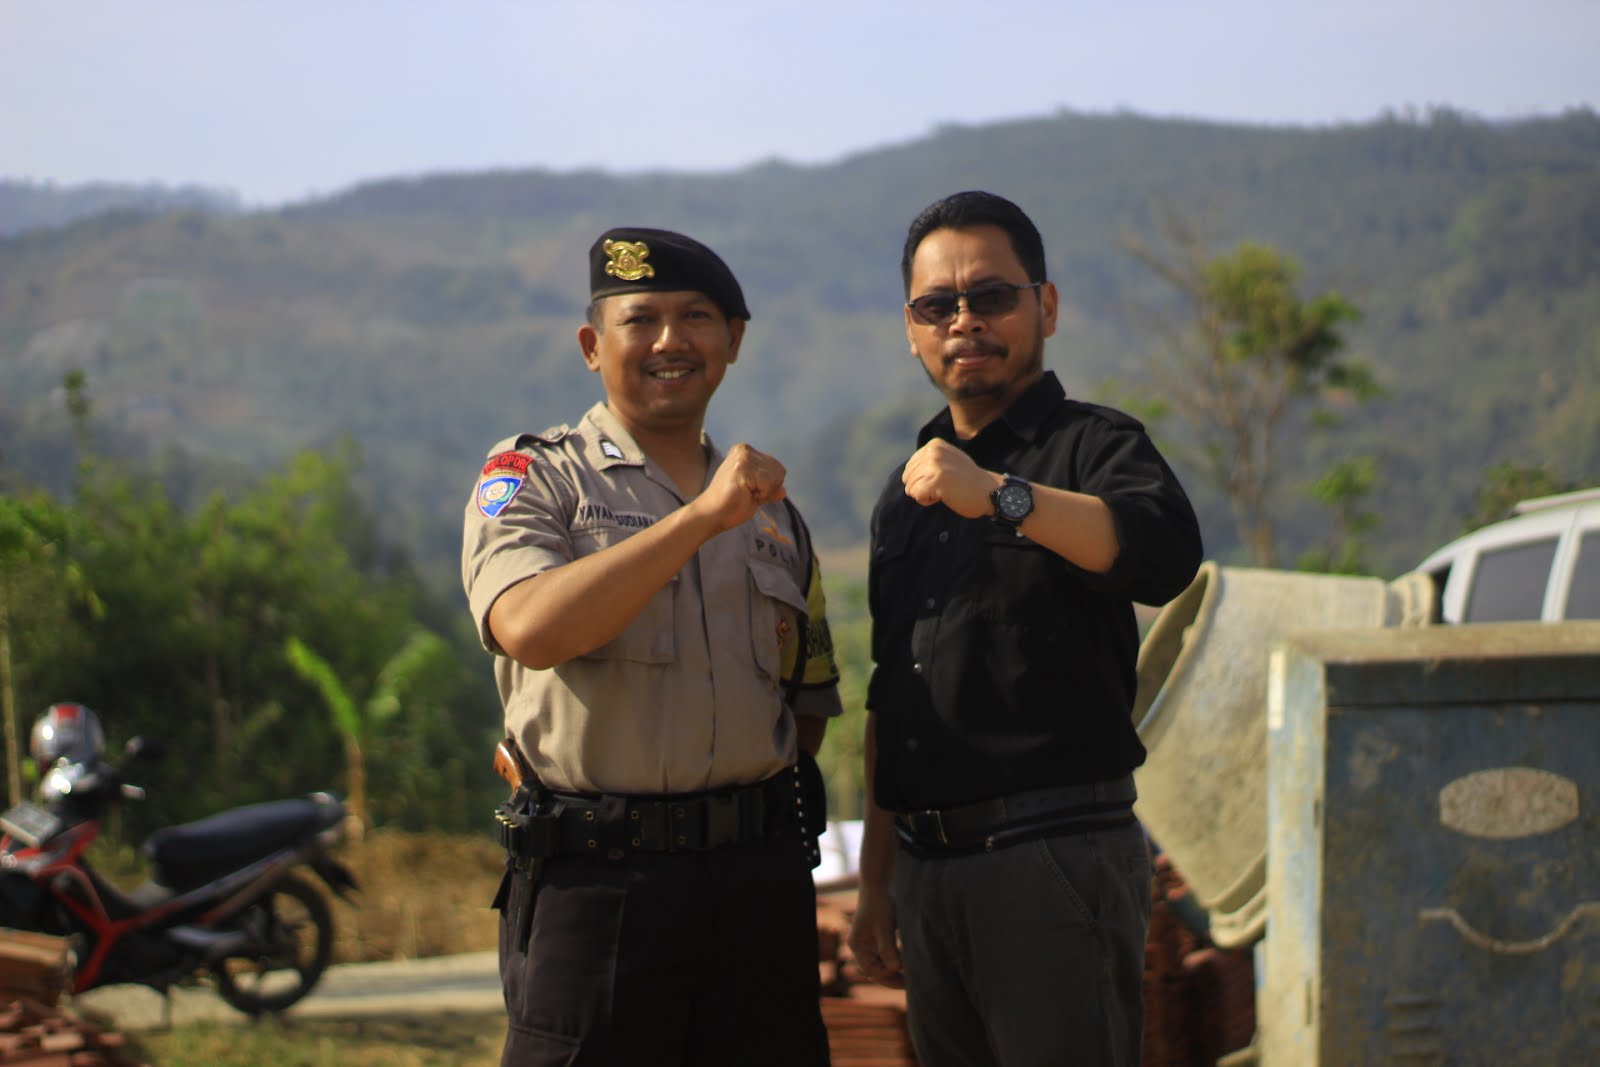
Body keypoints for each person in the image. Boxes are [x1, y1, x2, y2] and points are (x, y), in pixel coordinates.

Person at [461, 226, 841, 1067]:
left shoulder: (777, 513)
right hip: (596, 889)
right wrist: (700, 518)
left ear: (734, 340)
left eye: (697, 316)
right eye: (643, 320)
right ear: (594, 345)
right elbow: (530, 626)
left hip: (756, 889)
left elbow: (805, 703)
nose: (671, 341)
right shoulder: (536, 478)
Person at [847, 191, 1203, 1067]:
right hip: (929, 873)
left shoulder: (1094, 447)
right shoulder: (906, 494)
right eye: (940, 305)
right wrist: (878, 883)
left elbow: (1162, 557)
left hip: (1055, 857)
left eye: (992, 296)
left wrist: (1001, 497)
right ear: (912, 326)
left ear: (1044, 306)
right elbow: (896, 700)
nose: (965, 320)